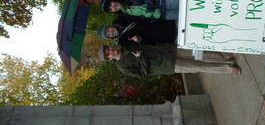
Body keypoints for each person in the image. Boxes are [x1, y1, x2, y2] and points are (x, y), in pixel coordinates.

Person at [98, 44, 241, 78]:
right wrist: (140, 58)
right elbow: (142, 74)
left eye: (108, 49)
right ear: (110, 59)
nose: (110, 51)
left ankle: (226, 57)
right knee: (199, 66)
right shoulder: (122, 67)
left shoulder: (126, 46)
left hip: (167, 51)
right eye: (108, 54)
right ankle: (228, 69)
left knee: (198, 54)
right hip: (167, 65)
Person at [100, 0, 179, 20]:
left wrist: (149, 8)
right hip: (164, 14)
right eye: (111, 9)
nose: (113, 7)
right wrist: (154, 17)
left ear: (112, 0)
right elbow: (143, 17)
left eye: (111, 4)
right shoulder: (126, 13)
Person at [97, 17, 177, 46]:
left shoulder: (120, 19)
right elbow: (144, 46)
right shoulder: (123, 42)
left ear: (109, 26)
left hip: (160, 22)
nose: (111, 32)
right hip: (160, 37)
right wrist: (139, 40)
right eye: (108, 34)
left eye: (108, 30)